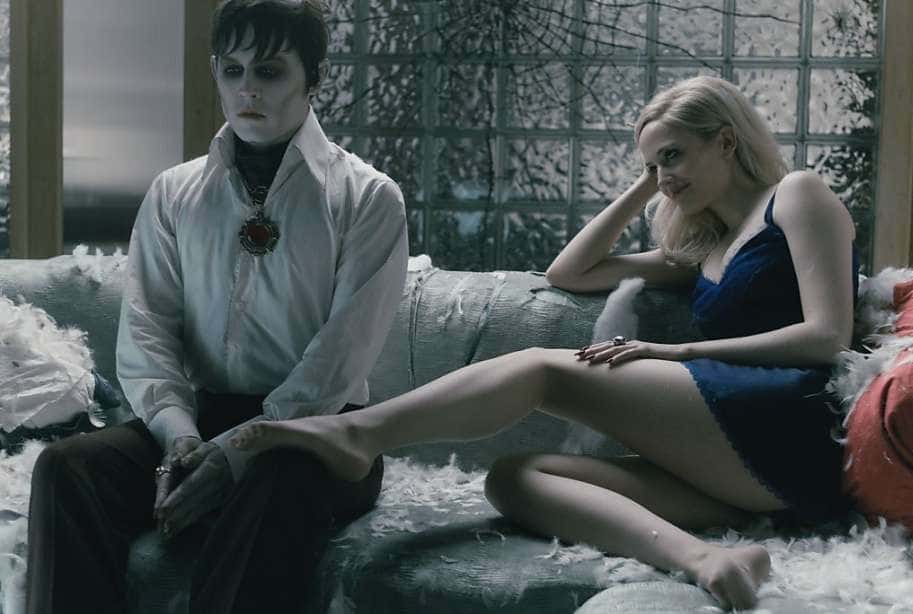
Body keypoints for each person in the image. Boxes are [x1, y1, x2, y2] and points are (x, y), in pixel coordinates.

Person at [230, 75, 859, 611]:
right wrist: (647, 185)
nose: (664, 178)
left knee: (542, 370)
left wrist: (677, 353)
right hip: (749, 469)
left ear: (725, 141)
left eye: (673, 157)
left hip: (796, 424)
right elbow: (570, 273)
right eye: (652, 165)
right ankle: (709, 560)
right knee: (516, 479)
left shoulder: (796, 195)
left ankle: (358, 433)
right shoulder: (706, 247)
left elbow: (827, 335)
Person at [26, 1, 408, 612]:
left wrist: (238, 452)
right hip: (198, 420)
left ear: (314, 77)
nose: (247, 89)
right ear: (216, 73)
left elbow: (340, 359)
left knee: (277, 474)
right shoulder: (174, 192)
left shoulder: (368, 198)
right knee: (66, 468)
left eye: (269, 71)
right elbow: (147, 332)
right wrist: (180, 438)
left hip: (320, 433)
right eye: (232, 70)